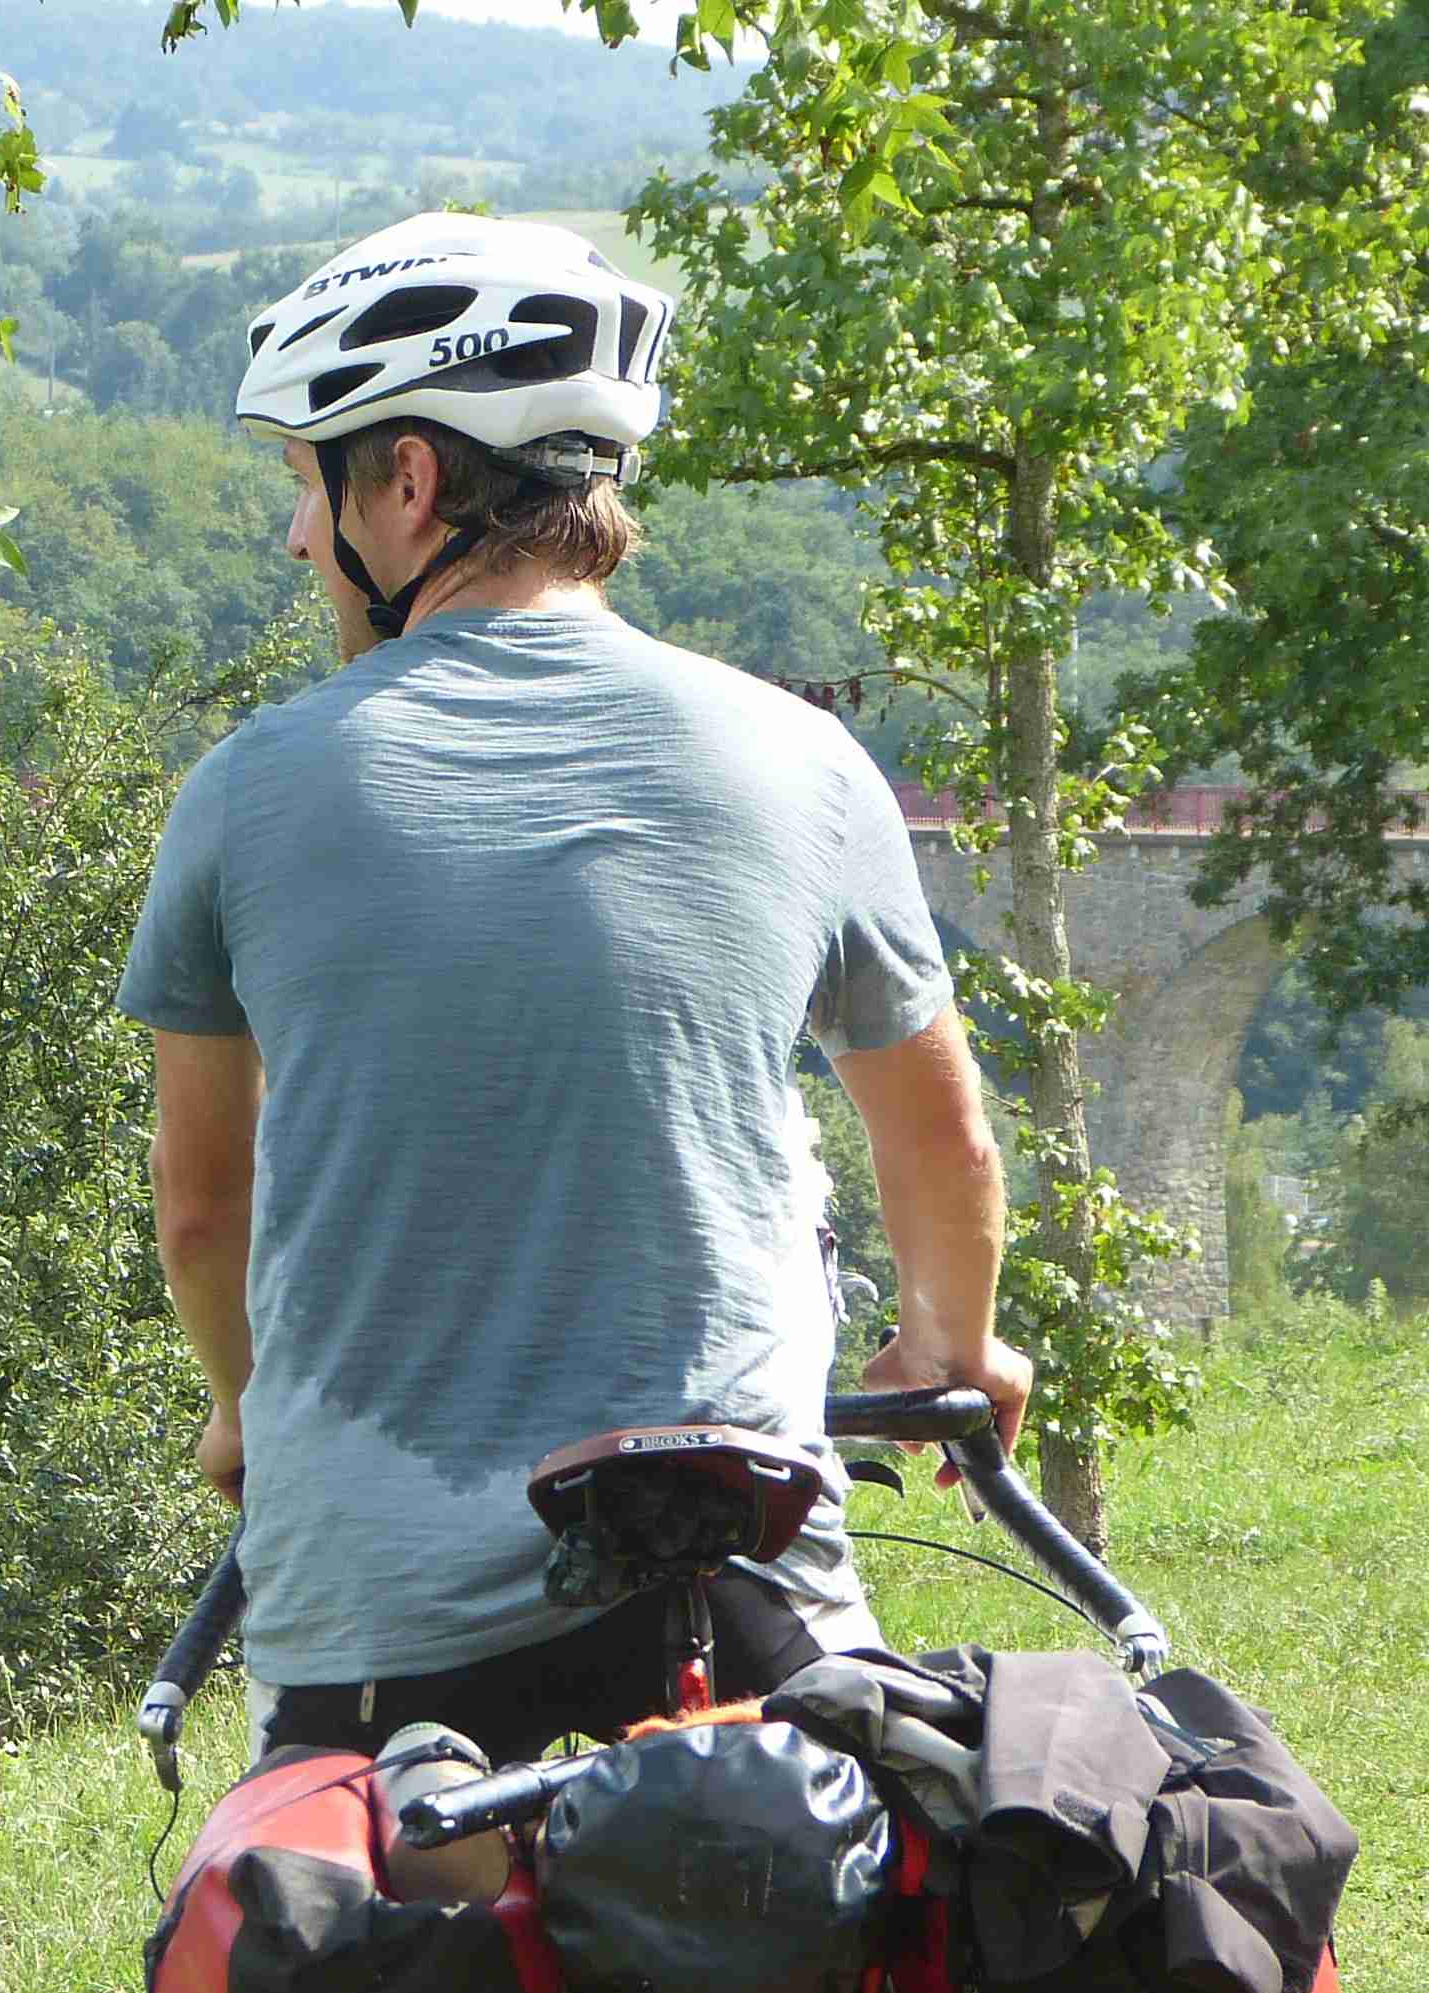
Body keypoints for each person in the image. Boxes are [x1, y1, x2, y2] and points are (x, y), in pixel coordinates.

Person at [114, 213, 1033, 1767]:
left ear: (404, 483)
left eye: (304, 485)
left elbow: (204, 1208)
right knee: (810, 1939)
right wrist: (954, 1340)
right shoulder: (803, 762)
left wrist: (245, 1409)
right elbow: (943, 1143)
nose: (294, 540)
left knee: (377, 1979)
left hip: (382, 1635)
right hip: (732, 1593)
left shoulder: (246, 794)